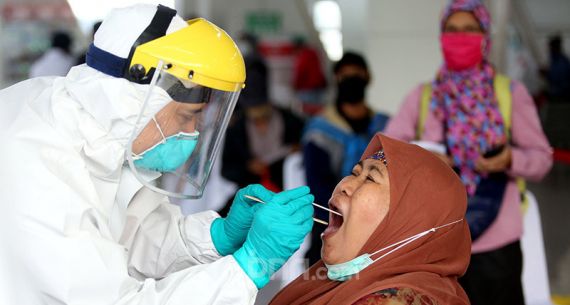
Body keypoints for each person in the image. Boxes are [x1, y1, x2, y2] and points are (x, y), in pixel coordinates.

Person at [0, 4, 314, 304]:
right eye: (185, 117)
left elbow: (135, 239)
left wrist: (217, 237)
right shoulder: (39, 163)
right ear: (133, 101)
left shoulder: (102, 137)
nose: (191, 133)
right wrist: (248, 268)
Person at [384, 1, 552, 304]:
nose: (460, 36)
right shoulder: (423, 97)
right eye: (452, 30)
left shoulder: (510, 94)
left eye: (469, 30)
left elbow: (541, 159)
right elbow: (388, 152)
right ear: (441, 36)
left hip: (497, 241)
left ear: (485, 35)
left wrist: (510, 159)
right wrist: (424, 156)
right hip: (438, 240)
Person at [270, 133, 471, 305]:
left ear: (409, 222)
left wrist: (245, 266)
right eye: (354, 172)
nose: (345, 184)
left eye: (370, 179)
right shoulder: (324, 284)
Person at [303, 52, 389, 265]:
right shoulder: (319, 131)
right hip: (331, 217)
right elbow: (318, 185)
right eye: (344, 76)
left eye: (356, 75)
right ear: (336, 79)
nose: (351, 81)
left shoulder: (385, 127)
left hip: (376, 220)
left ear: (368, 78)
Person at [221, 46, 304, 195]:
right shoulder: (236, 129)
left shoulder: (291, 122)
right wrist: (248, 166)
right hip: (250, 195)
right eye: (254, 115)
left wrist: (295, 154)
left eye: (262, 113)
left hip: (285, 191)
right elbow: (227, 170)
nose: (259, 120)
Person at [292, 37, 328, 116]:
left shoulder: (303, 56)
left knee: (307, 114)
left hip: (307, 88)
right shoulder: (314, 53)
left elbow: (300, 72)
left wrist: (295, 86)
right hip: (318, 87)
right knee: (318, 112)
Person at [544, 35, 570, 102]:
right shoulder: (557, 60)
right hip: (559, 93)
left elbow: (559, 81)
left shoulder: (561, 62)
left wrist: (546, 74)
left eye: (551, 47)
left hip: (561, 96)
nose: (549, 50)